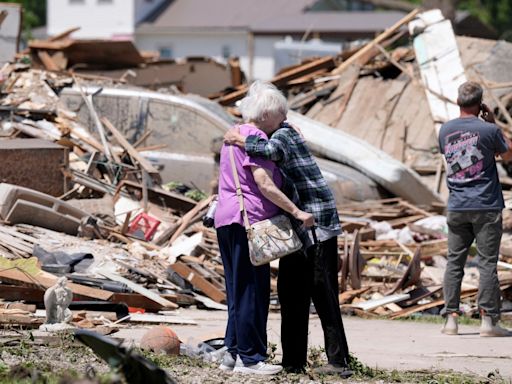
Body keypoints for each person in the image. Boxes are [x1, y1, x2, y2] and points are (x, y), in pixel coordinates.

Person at [224, 83, 353, 377]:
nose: (253, 123)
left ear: (270, 115)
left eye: (258, 117)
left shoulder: (283, 134)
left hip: (316, 224)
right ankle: (293, 361)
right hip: (298, 227)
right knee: (290, 291)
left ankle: (338, 361)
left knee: (322, 292)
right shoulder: (280, 130)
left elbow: (271, 150)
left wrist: (239, 140)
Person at [215, 81, 315, 375]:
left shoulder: (233, 135)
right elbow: (264, 183)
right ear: (265, 115)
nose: (283, 121)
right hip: (249, 221)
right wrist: (297, 211)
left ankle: (232, 353)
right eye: (280, 116)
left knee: (236, 290)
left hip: (227, 218)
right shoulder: (255, 136)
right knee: (251, 291)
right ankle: (251, 358)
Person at [439, 81, 512, 337]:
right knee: (487, 264)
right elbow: (509, 155)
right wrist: (494, 123)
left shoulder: (445, 130)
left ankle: (450, 320)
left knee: (454, 263)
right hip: (486, 205)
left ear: (458, 101)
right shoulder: (489, 130)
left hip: (457, 205)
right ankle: (488, 323)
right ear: (480, 104)